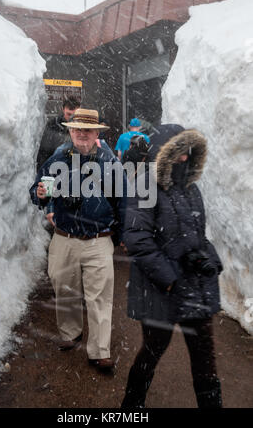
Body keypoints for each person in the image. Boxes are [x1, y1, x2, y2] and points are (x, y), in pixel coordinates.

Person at [121, 124, 223, 408]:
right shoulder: (146, 185)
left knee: (205, 358)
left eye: (188, 150)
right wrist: (170, 279)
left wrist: (209, 260)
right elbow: (138, 238)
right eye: (178, 150)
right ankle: (131, 406)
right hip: (160, 289)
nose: (184, 156)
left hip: (195, 288)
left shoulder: (191, 188)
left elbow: (198, 235)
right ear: (164, 152)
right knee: (152, 351)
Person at [30, 108, 127, 372]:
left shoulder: (109, 162)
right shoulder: (58, 157)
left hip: (98, 239)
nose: (82, 134)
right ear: (70, 132)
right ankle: (70, 333)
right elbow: (37, 189)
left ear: (97, 133)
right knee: (65, 289)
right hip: (64, 238)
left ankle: (99, 351)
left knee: (99, 297)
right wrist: (40, 194)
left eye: (87, 129)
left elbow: (126, 199)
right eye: (77, 129)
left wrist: (122, 234)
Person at [36, 96, 81, 170]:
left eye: (74, 115)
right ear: (63, 110)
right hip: (56, 167)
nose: (71, 118)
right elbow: (44, 152)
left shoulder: (85, 128)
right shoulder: (53, 125)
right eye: (69, 114)